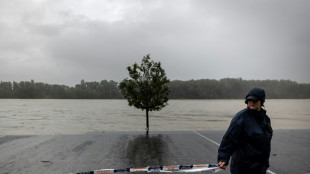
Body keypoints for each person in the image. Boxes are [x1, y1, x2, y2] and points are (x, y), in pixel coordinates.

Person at [217, 87, 273, 174]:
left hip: (259, 167)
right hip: (242, 167)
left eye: (254, 100)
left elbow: (265, 144)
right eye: (249, 100)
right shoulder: (241, 118)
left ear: (261, 101)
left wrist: (265, 163)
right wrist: (223, 157)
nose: (251, 103)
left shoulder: (265, 119)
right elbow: (229, 139)